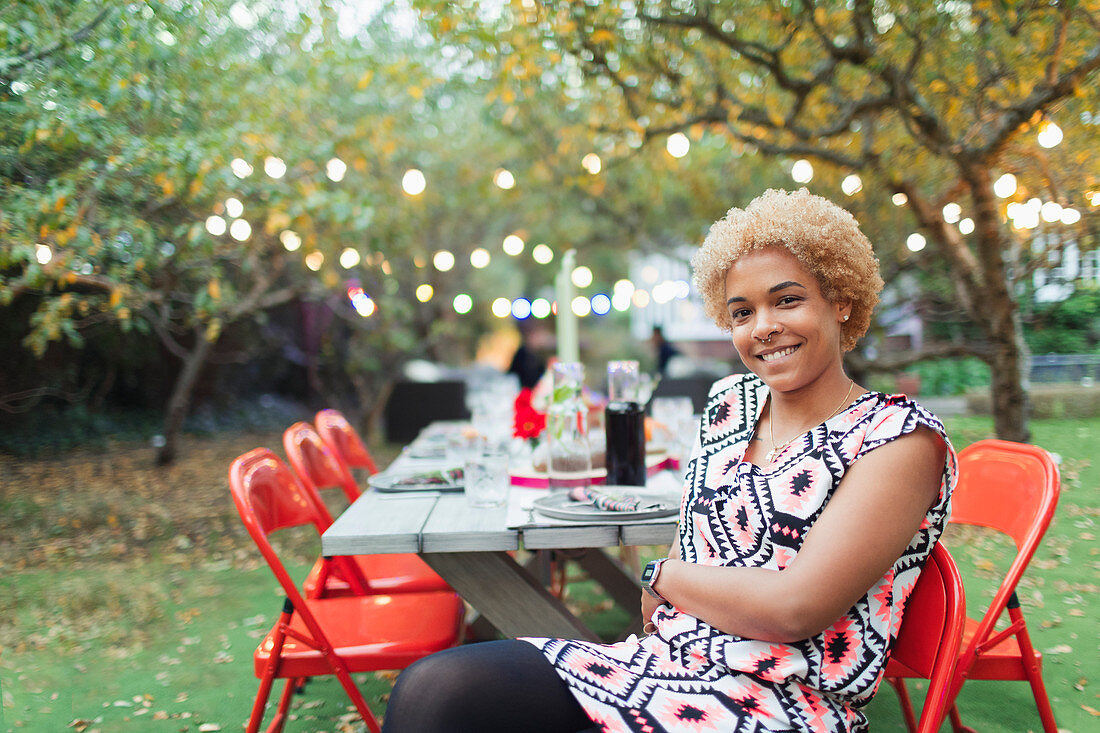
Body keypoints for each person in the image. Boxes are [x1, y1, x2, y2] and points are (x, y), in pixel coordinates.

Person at [381, 188, 956, 733]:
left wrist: (665, 576)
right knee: (435, 690)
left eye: (787, 300)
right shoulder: (732, 403)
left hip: (779, 702)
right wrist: (675, 586)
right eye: (741, 312)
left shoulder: (897, 440)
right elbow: (688, 548)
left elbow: (793, 608)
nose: (763, 328)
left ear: (841, 301)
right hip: (659, 660)